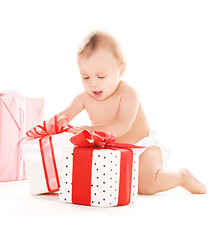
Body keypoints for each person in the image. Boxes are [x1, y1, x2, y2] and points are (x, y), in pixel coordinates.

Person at [57, 30, 207, 195]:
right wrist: (56, 126)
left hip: (142, 148)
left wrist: (89, 130)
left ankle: (181, 177)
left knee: (146, 185)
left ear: (120, 70)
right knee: (105, 184)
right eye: (85, 77)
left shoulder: (128, 93)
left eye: (101, 76)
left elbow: (122, 125)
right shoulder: (84, 98)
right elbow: (62, 117)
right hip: (115, 154)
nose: (93, 84)